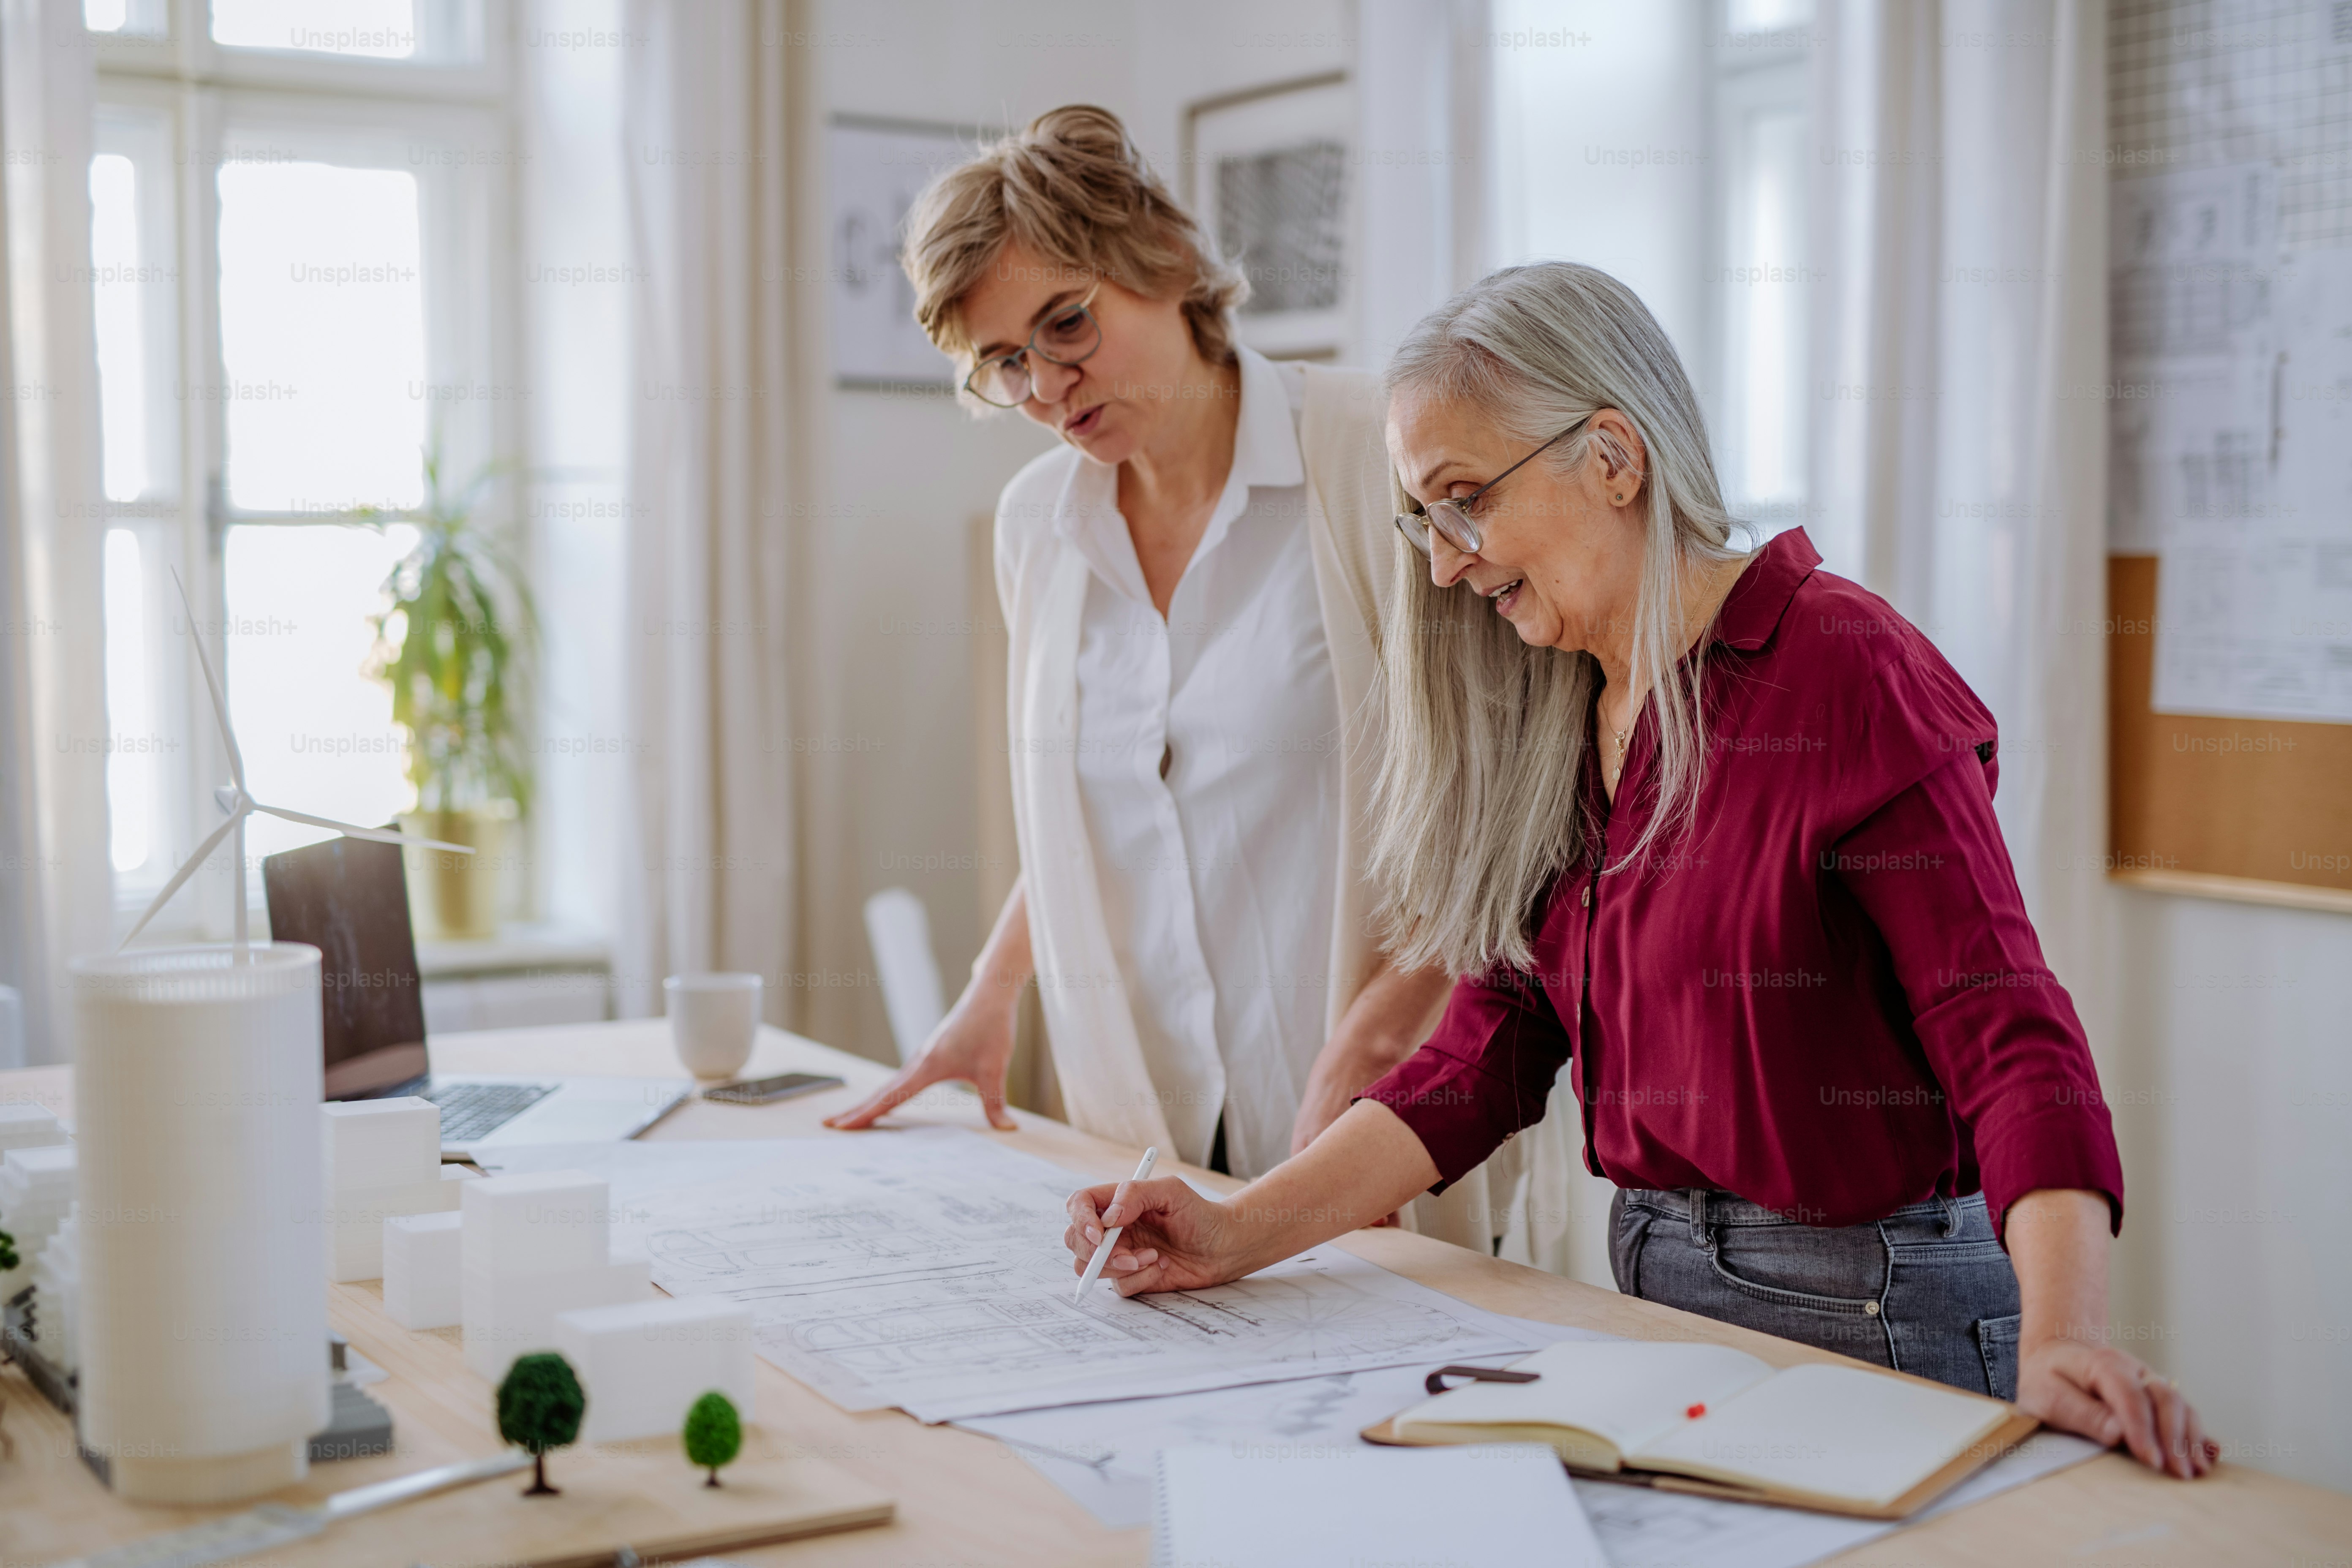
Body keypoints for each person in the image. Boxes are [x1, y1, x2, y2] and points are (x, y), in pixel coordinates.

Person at [1059, 261, 2216, 1478]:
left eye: (1465, 502)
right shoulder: (1561, 712)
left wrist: (2070, 1332)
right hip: (1651, 1293)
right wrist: (1233, 1233)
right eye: (1423, 520)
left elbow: (2008, 1028)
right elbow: (1485, 1054)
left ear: (1613, 457)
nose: (1446, 564)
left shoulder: (1847, 669)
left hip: (1881, 1308)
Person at [825, 106, 1517, 1237]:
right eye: (1007, 362)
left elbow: (1506, 787)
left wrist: (1395, 1019)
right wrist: (991, 996)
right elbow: (1091, 808)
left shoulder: (1365, 448)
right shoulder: (1035, 526)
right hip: (1142, 1127)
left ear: (1166, 262)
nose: (1046, 387)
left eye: (1065, 324)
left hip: (1366, 1127)